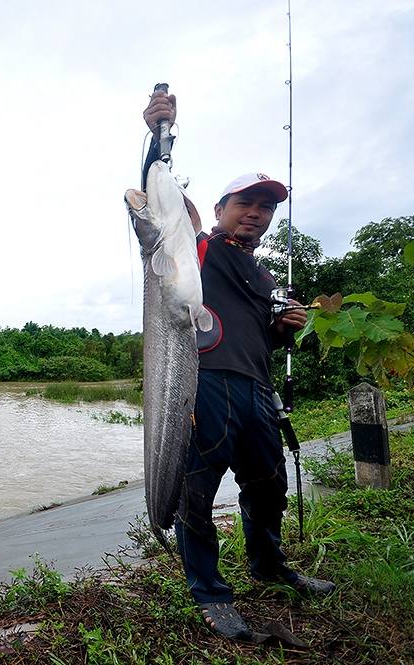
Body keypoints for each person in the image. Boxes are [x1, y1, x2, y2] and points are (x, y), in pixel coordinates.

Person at [139, 89, 336, 641]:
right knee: (195, 495)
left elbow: (256, 343)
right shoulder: (196, 250)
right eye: (245, 203)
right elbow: (160, 215)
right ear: (221, 209)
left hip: (256, 392)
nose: (256, 213)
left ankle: (268, 564)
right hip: (202, 388)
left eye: (266, 206)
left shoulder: (267, 278)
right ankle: (210, 594)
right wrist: (157, 139)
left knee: (269, 486)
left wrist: (281, 329)